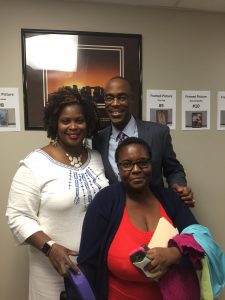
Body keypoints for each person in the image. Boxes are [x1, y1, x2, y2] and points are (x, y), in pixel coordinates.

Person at [73, 137, 225, 300]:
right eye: (127, 164)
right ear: (118, 168)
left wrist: (173, 255)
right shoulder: (106, 201)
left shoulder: (169, 199)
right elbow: (88, 263)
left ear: (151, 165)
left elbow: (200, 242)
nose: (136, 169)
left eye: (143, 163)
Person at [6, 86, 109, 300]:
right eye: (65, 121)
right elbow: (17, 216)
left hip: (96, 267)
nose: (73, 126)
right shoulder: (35, 164)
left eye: (79, 120)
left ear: (88, 123)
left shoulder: (97, 158)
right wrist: (50, 248)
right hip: (52, 272)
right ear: (55, 123)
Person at [92, 76, 194, 206]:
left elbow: (174, 170)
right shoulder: (99, 139)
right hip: (116, 213)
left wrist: (179, 187)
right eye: (109, 98)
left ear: (132, 99)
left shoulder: (158, 133)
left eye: (122, 97)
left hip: (154, 210)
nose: (115, 103)